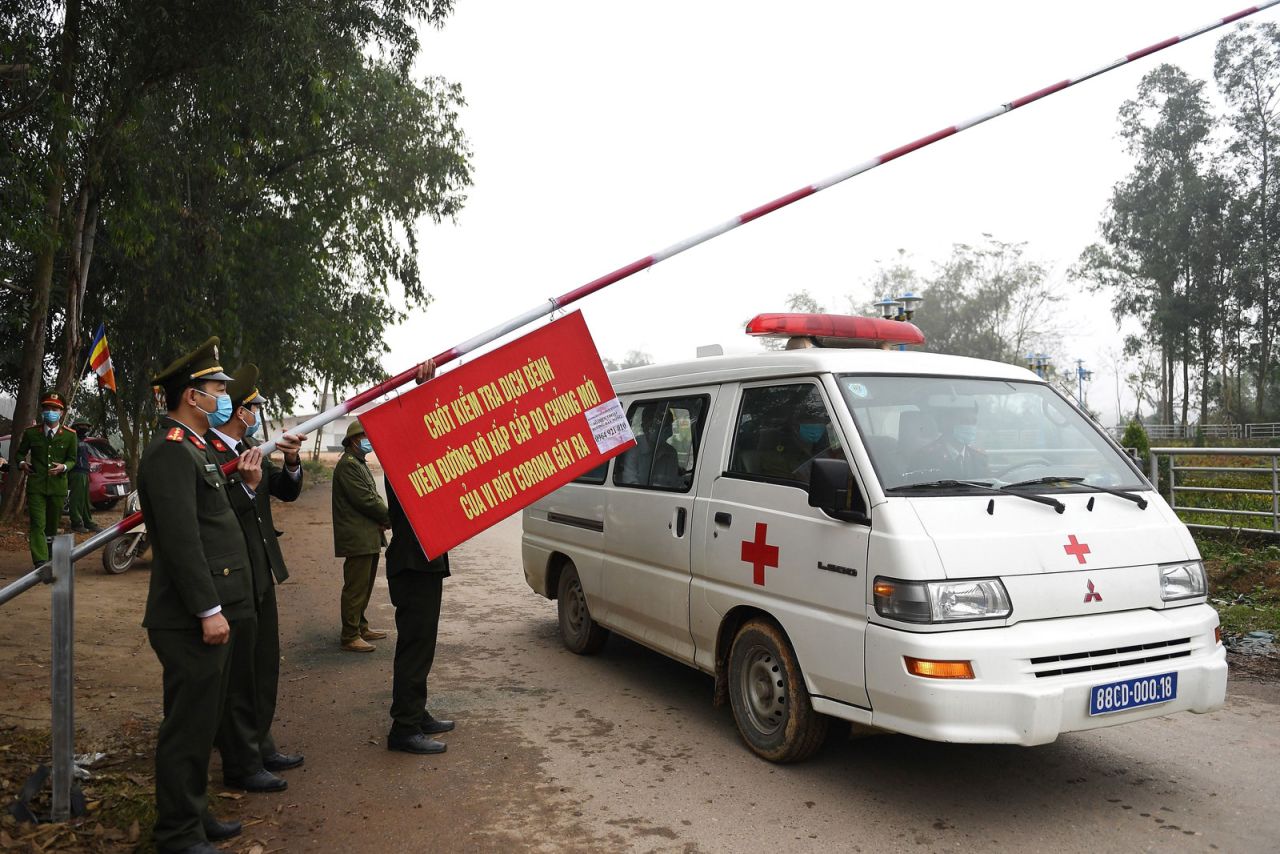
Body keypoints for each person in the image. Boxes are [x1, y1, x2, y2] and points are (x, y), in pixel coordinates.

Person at [138, 337, 263, 854]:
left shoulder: (196, 448)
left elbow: (215, 521)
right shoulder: (170, 452)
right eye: (216, 389)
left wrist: (251, 484)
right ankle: (177, 832)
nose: (222, 398)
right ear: (192, 396)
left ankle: (194, 813)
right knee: (187, 728)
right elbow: (181, 540)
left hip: (212, 609)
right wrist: (209, 610)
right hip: (189, 617)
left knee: (204, 720)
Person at [205, 365, 305, 792]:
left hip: (260, 569)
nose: (258, 415)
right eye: (254, 408)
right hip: (230, 575)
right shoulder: (206, 450)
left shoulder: (249, 447)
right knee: (239, 672)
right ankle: (240, 757)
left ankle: (261, 744)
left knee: (264, 663)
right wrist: (245, 488)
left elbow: (282, 489)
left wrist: (293, 460)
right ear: (238, 409)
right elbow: (213, 512)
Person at [384, 358, 454, 755]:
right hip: (413, 565)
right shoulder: (404, 463)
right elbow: (416, 436)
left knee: (422, 644)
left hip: (424, 563)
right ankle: (404, 728)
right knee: (414, 645)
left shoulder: (414, 461)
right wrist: (421, 394)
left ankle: (416, 712)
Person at [332, 418, 390, 652]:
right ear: (355, 440)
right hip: (357, 536)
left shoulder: (358, 462)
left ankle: (360, 626)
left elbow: (370, 497)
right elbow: (366, 499)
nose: (370, 442)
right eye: (366, 438)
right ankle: (350, 634)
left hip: (366, 534)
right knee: (356, 587)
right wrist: (389, 517)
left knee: (364, 585)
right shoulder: (348, 465)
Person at [13, 392, 78, 566]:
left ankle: (50, 556)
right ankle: (40, 562)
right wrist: (22, 464)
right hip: (36, 486)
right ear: (42, 411)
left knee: (51, 526)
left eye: (55, 409)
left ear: (62, 412)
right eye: (48, 408)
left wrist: (63, 467)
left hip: (57, 487)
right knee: (37, 524)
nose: (51, 411)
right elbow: (19, 453)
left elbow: (73, 459)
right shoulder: (32, 433)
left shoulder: (70, 435)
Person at [921, 406, 989, 480]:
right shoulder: (925, 457)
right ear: (947, 423)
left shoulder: (979, 458)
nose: (970, 426)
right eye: (965, 421)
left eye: (974, 422)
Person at [68, 421, 100, 533]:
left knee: (85, 500)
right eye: (82, 426)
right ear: (75, 427)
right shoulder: (72, 440)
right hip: (76, 472)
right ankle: (76, 523)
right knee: (76, 498)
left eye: (87, 426)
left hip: (84, 472)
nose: (85, 428)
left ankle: (88, 522)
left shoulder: (83, 441)